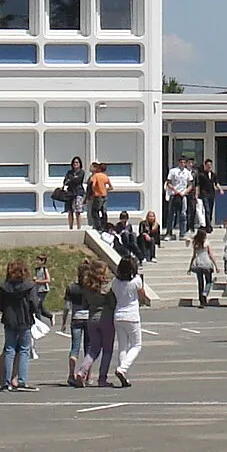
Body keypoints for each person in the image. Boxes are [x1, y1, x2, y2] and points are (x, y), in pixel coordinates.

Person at [0, 260, 44, 392]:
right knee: (24, 350)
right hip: (24, 320)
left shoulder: (4, 286)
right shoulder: (29, 286)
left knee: (9, 350)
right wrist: (32, 311)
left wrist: (7, 310)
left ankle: (6, 381)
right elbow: (34, 303)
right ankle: (21, 381)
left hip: (9, 321)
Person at [110, 255, 154, 386]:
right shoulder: (136, 280)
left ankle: (123, 373)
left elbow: (114, 293)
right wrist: (144, 300)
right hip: (132, 316)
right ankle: (122, 369)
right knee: (136, 345)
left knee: (123, 346)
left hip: (118, 315)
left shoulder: (115, 281)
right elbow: (142, 295)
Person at [78, 259, 116, 384]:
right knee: (107, 350)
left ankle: (82, 371)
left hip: (92, 317)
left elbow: (84, 304)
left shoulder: (87, 286)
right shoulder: (107, 286)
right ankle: (102, 378)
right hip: (106, 318)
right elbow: (113, 302)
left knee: (93, 348)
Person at [164, 159, 193, 240]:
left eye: (184, 162)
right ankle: (169, 233)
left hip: (183, 195)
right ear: (178, 162)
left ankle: (182, 234)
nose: (182, 164)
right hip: (174, 195)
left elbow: (190, 184)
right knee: (171, 215)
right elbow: (168, 182)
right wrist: (175, 190)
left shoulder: (187, 172)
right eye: (181, 162)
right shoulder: (173, 171)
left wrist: (185, 192)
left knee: (183, 215)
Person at [189, 227, 218, 307]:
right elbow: (211, 254)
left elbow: (193, 255)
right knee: (209, 281)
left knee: (200, 282)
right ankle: (205, 293)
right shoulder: (206, 243)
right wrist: (216, 265)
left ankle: (201, 300)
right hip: (207, 263)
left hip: (198, 264)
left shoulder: (195, 244)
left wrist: (190, 266)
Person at [196, 158, 221, 231]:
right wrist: (197, 194)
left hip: (211, 194)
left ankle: (209, 223)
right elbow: (198, 185)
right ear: (205, 166)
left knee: (210, 209)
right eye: (207, 165)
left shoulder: (213, 174)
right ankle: (208, 226)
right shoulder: (201, 175)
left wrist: (220, 189)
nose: (209, 166)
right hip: (204, 193)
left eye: (210, 165)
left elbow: (216, 183)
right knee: (206, 210)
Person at [88, 162, 113, 232]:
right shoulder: (105, 176)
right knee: (103, 212)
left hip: (97, 196)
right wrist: (105, 189)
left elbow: (93, 185)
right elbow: (111, 187)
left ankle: (98, 226)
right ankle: (104, 226)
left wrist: (94, 192)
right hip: (104, 196)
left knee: (94, 211)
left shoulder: (96, 176)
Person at [63, 156, 87, 228]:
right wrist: (71, 180)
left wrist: (71, 180)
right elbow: (65, 182)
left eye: (77, 162)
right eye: (74, 162)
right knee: (70, 211)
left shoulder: (81, 172)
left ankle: (79, 227)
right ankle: (70, 227)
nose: (75, 164)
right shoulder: (69, 172)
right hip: (70, 193)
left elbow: (78, 181)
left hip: (78, 192)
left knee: (78, 211)